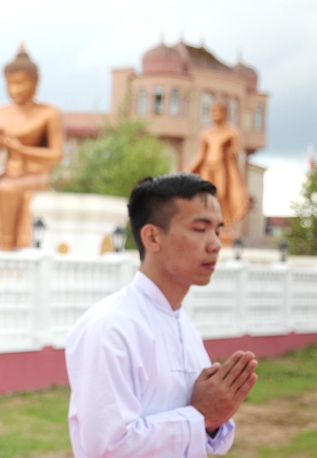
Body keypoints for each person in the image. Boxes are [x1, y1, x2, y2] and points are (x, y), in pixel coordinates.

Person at [65, 173, 258, 457]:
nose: (215, 244)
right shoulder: (111, 327)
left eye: (217, 230)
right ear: (153, 237)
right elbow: (108, 448)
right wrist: (200, 416)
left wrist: (214, 419)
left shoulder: (181, 323)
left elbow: (205, 437)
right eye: (200, 228)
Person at [0, 44, 63, 251]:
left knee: (7, 190)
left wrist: (21, 149)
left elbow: (56, 155)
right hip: (8, 170)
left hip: (35, 173)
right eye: (11, 83)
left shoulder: (49, 113)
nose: (15, 89)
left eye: (21, 83)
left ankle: (7, 246)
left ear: (34, 82)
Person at [186, 101, 248, 241]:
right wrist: (187, 171)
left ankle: (225, 224)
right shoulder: (206, 134)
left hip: (222, 168)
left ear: (225, 114)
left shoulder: (231, 132)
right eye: (212, 112)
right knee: (207, 196)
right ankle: (206, 222)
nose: (215, 115)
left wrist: (232, 153)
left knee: (221, 195)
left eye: (218, 112)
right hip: (208, 167)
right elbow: (200, 155)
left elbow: (236, 151)